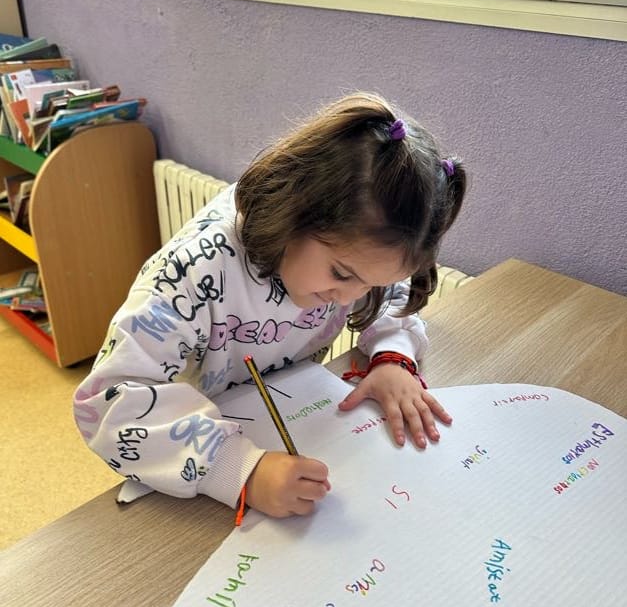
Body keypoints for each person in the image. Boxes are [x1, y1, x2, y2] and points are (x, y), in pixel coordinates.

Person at [73, 92, 467, 519]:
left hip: (283, 414)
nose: (351, 297)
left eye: (371, 282)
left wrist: (393, 355)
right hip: (187, 455)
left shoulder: (360, 259)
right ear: (294, 212)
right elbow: (109, 405)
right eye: (341, 274)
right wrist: (239, 469)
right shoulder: (195, 270)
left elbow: (391, 291)